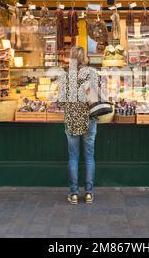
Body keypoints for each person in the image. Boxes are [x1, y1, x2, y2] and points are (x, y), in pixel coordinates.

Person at [61, 46, 98, 205]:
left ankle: (74, 193)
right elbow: (96, 96)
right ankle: (89, 193)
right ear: (85, 58)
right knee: (89, 157)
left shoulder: (65, 75)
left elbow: (61, 100)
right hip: (89, 118)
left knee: (73, 157)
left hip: (72, 120)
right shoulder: (92, 73)